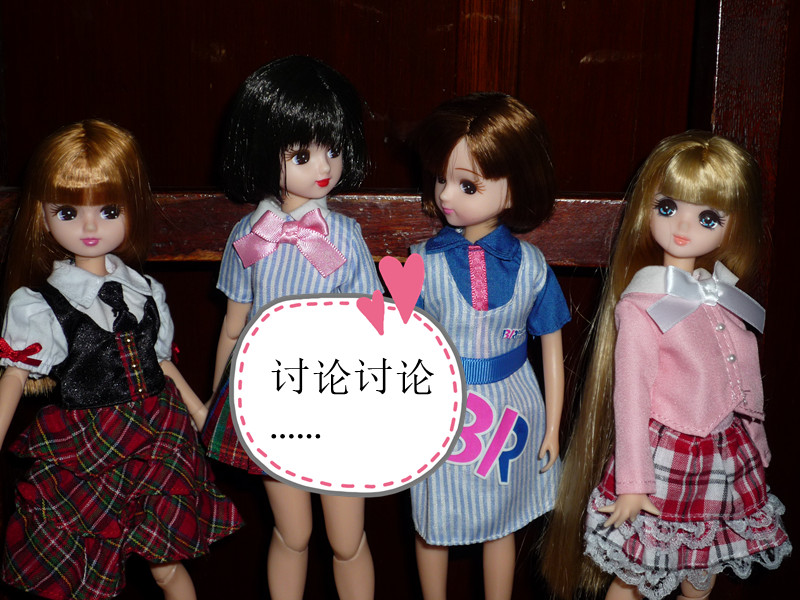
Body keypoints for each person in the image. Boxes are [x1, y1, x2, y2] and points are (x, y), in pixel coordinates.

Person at [540, 131, 791, 600]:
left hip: (723, 453)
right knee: (636, 572)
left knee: (702, 573)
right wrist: (633, 483)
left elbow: (743, 380)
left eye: (708, 217)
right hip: (668, 455)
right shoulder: (642, 306)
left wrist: (757, 444)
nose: (683, 227)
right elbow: (631, 396)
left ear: (733, 226)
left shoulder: (721, 296)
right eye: (668, 207)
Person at [0, 119, 241, 600]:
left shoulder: (145, 291)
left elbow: (162, 365)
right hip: (90, 446)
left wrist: (205, 418)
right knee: (85, 567)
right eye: (68, 211)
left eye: (109, 210)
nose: (90, 227)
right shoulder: (39, 306)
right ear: (42, 216)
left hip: (157, 438)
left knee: (166, 563)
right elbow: (14, 378)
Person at [201, 56, 381, 600]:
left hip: (336, 391)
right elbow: (233, 328)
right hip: (269, 397)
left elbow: (374, 319)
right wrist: (220, 398)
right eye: (302, 155)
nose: (323, 167)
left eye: (333, 149)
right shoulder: (249, 235)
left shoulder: (344, 237)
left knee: (347, 538)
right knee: (292, 530)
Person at [409, 92, 569, 600]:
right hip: (443, 407)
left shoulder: (533, 267)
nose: (447, 196)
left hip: (512, 409)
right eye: (441, 179)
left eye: (467, 185)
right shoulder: (423, 262)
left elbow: (552, 349)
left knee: (502, 521)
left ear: (514, 188)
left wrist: (553, 427)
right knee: (433, 519)